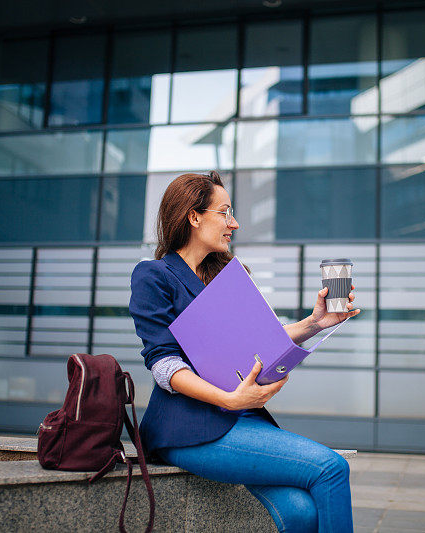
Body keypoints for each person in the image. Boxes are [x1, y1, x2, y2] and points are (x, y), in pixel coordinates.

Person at [129, 170, 361, 533]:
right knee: (331, 468)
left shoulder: (225, 276)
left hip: (241, 418)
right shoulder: (153, 275)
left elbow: (259, 340)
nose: (233, 223)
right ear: (194, 216)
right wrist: (231, 399)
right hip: (190, 428)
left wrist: (316, 322)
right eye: (224, 212)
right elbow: (164, 364)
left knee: (301, 512)